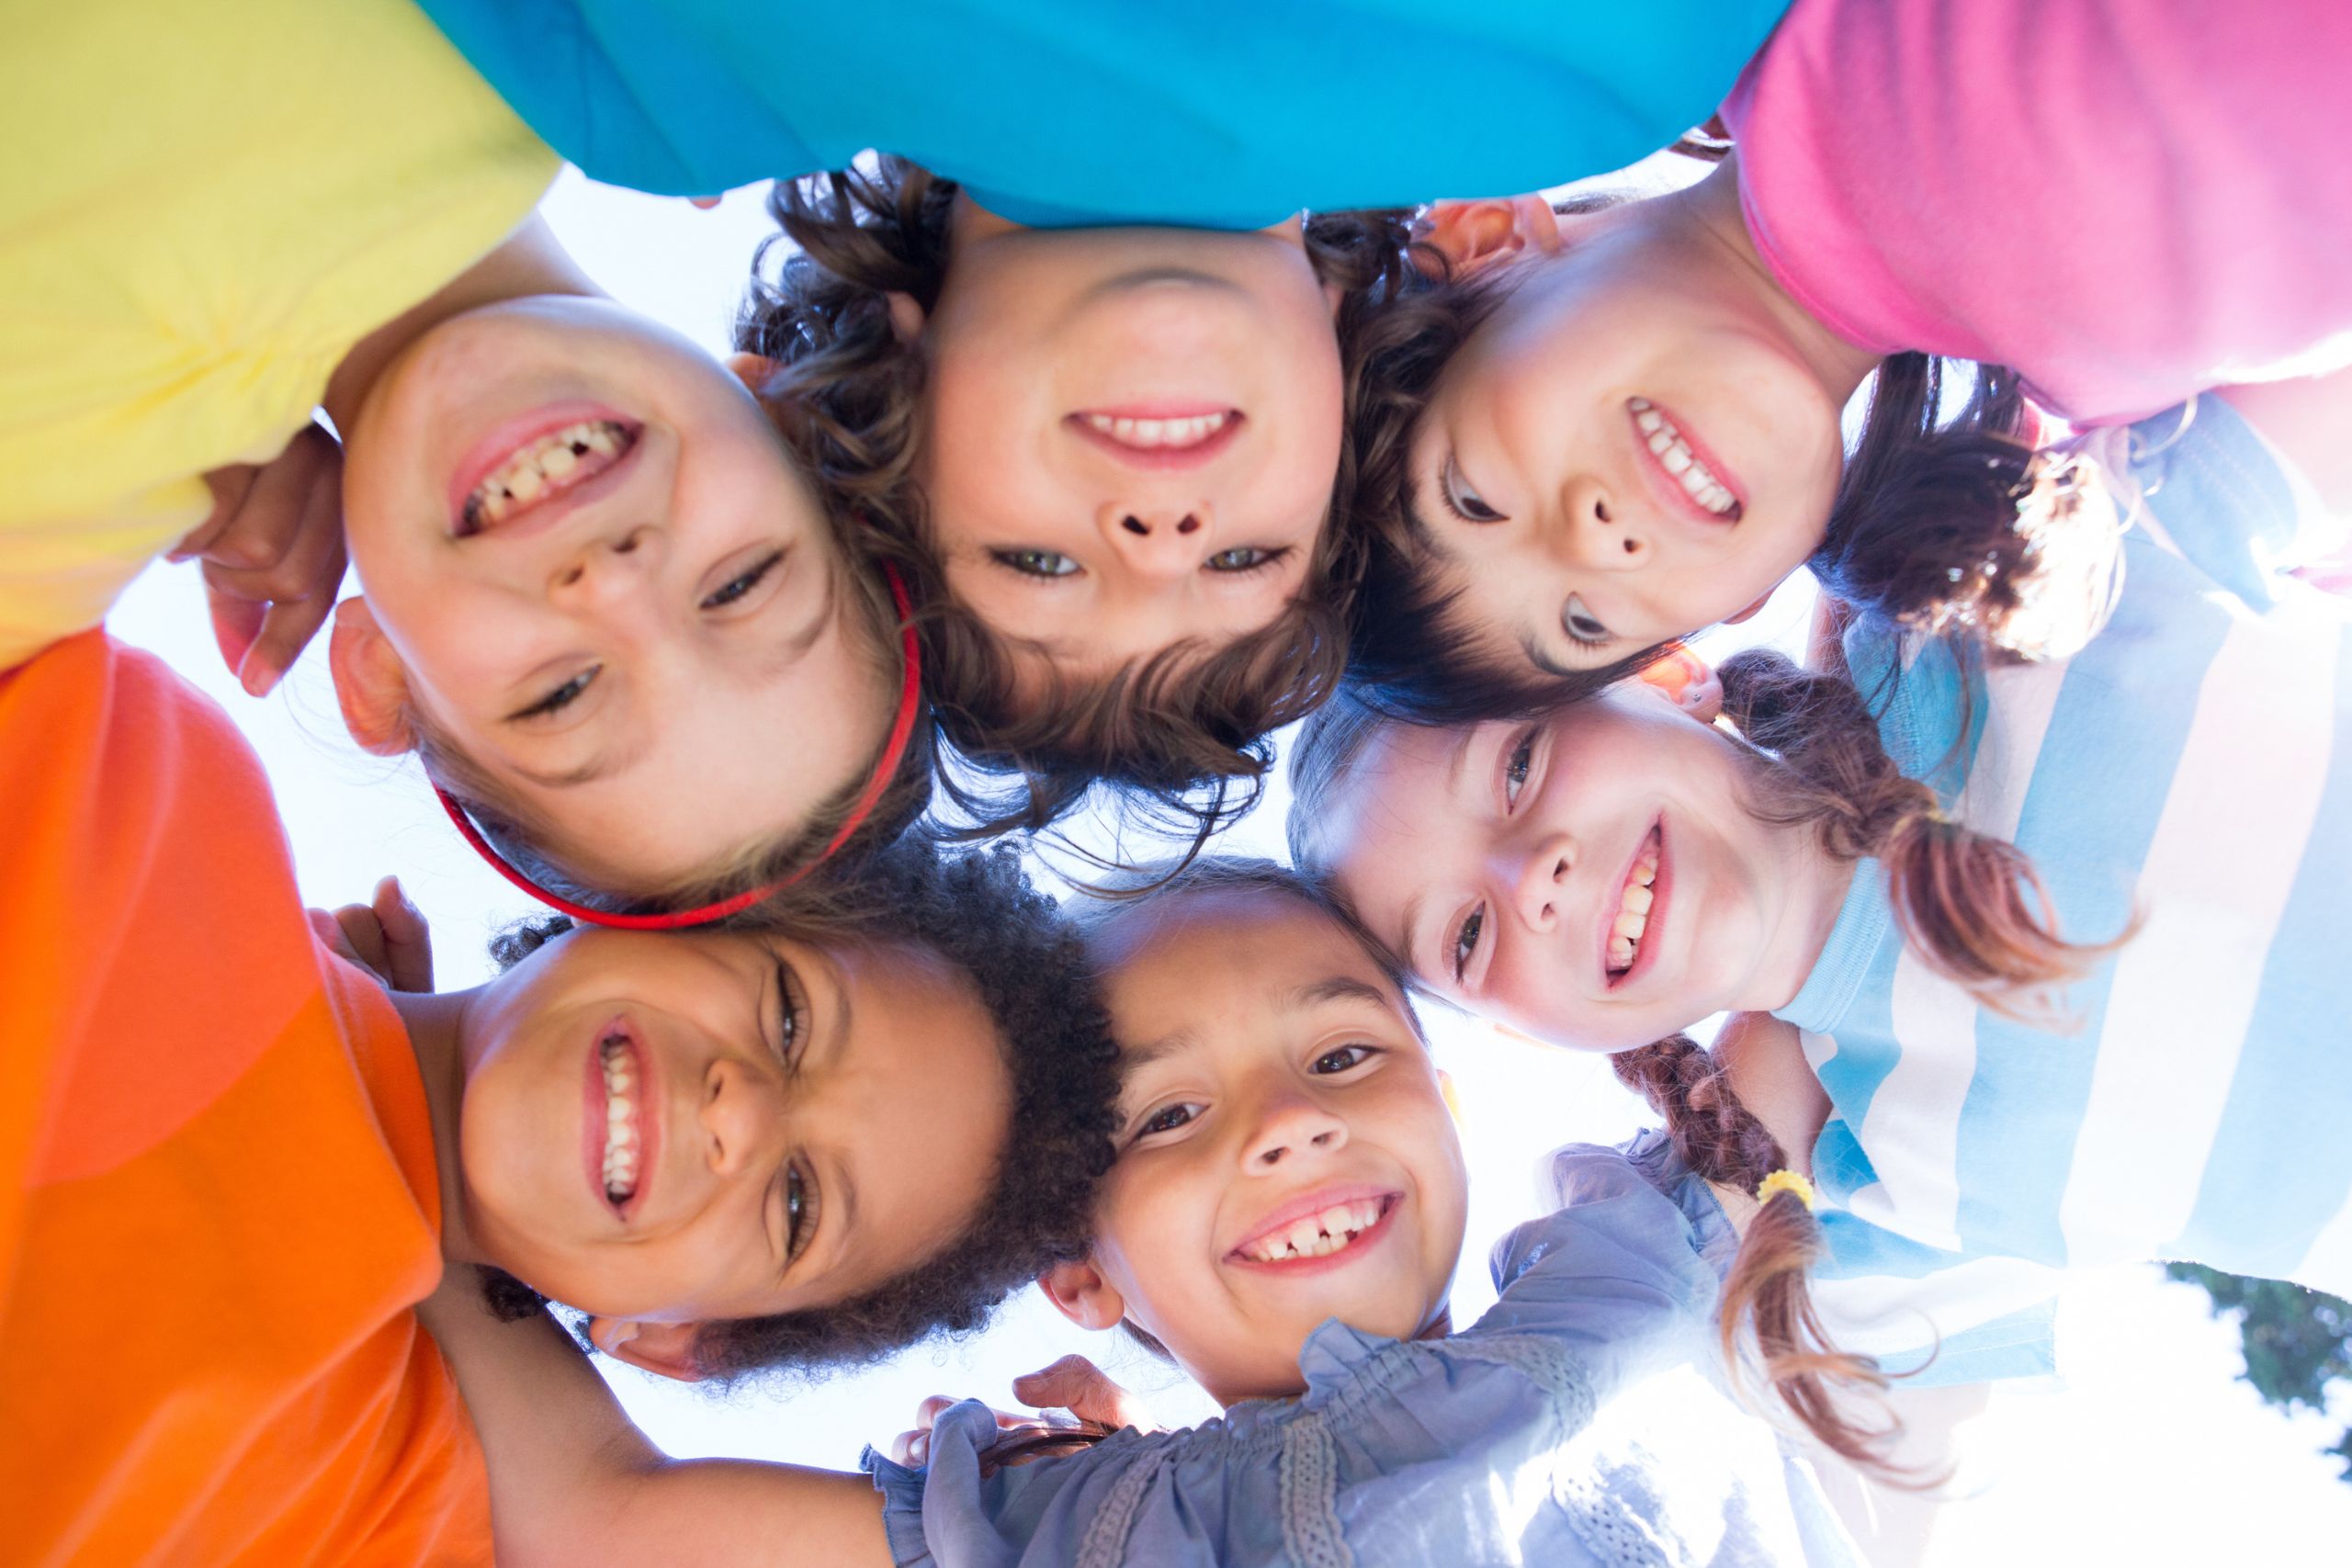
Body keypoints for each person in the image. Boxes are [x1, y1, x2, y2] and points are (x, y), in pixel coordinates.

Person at [406, 0, 1788, 842]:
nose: (1158, 531)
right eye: (1242, 562)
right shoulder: (1608, 72)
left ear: (886, 415)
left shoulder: (658, 79)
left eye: (1043, 566)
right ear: (1344, 445)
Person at [1292, 385, 2352, 1444]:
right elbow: (1650, 1338)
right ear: (1528, 1033)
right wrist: (1748, 1099)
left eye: (1520, 766)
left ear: (1662, 673)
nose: (1533, 882)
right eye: (1468, 937)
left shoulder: (1984, 600)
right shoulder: (1867, 1189)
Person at [0, 615, 1118, 1559]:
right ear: (663, 891)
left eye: (796, 1205)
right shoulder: (145, 789)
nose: (737, 1112)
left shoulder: (388, 1508)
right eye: (787, 1015)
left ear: (678, 1342)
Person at [401, 859, 1860, 1565]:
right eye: (1166, 1114)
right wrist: (442, 1139)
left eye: (1346, 1053)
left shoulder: (1620, 1288)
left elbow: (1816, 942)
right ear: (1083, 1282)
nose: (1290, 1120)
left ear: (1450, 1103)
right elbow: (602, 1514)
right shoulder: (1089, 1525)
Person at [0, 0, 926, 919]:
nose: (609, 583)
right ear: (788, 415)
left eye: (562, 694)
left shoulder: (42, 528)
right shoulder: (586, 36)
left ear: (380, 678)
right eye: (738, 587)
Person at [1340, 0, 2352, 723]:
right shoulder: (2127, 404)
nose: (1597, 543)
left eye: (1476, 499)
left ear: (1476, 243)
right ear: (1733, 605)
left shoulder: (1774, 37)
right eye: (1584, 621)